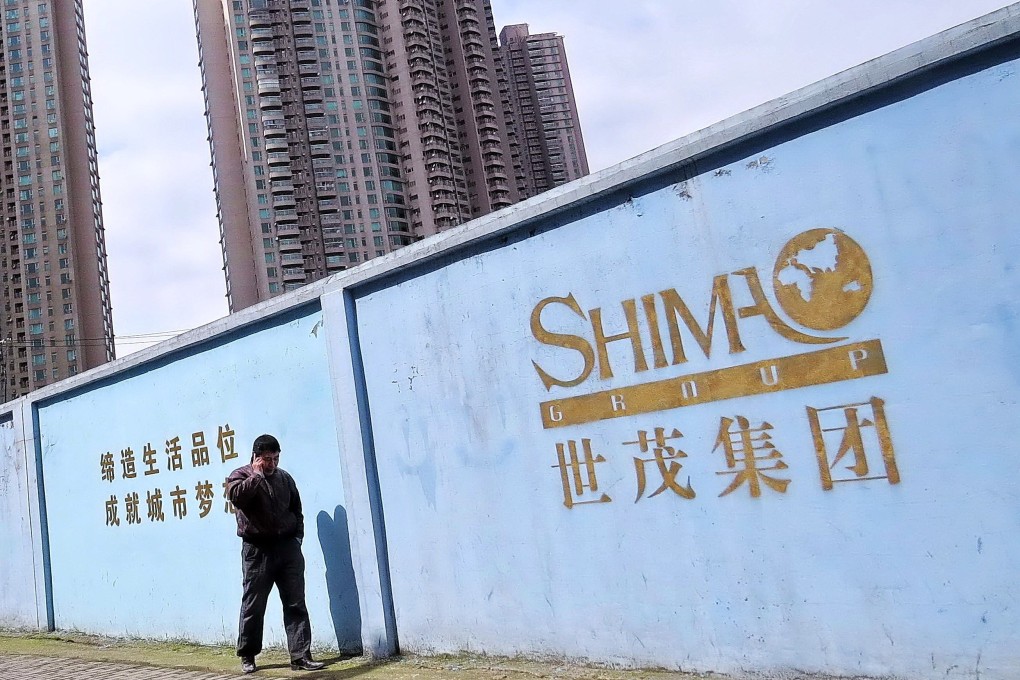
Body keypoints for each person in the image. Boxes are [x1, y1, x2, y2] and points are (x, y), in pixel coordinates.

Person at [226, 434, 325, 674]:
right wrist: (257, 477)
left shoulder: (285, 478)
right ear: (255, 457)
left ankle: (301, 656)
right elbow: (236, 497)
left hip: (287, 548)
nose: (272, 464)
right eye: (267, 459)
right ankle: (248, 655)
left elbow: (297, 509)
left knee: (295, 603)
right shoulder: (240, 476)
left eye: (276, 459)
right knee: (254, 604)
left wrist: (297, 538)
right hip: (257, 550)